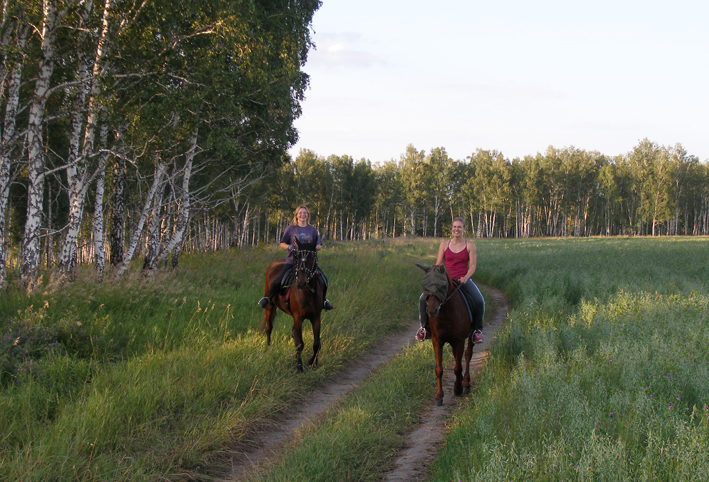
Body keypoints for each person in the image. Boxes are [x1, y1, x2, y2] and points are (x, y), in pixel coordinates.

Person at [416, 217, 484, 343]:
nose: (456, 229)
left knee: (479, 301)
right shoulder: (444, 245)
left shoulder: (470, 245)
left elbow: (473, 266)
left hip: (463, 280)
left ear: (463, 229)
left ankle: (477, 331)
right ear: (452, 228)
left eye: (459, 227)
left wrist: (466, 277)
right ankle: (425, 329)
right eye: (454, 227)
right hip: (445, 281)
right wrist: (434, 278)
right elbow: (438, 264)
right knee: (422, 299)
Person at [258, 205, 334, 311]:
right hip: (292, 261)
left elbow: (319, 246)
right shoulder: (290, 229)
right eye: (300, 213)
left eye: (305, 213)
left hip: (308, 263)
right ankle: (267, 298)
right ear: (296, 215)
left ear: (308, 215)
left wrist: (311, 247)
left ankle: (324, 301)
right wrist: (290, 246)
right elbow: (282, 244)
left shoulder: (312, 230)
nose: (303, 215)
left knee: (323, 280)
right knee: (280, 280)